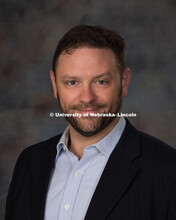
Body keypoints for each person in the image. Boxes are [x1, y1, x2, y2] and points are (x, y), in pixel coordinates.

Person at [5, 25, 176, 220]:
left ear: (124, 82)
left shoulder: (168, 171)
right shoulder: (30, 163)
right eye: (72, 82)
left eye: (100, 81)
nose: (86, 98)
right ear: (55, 85)